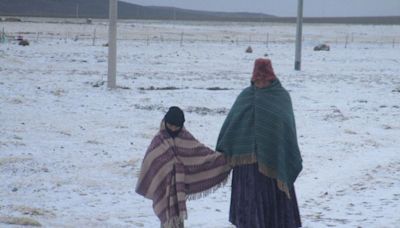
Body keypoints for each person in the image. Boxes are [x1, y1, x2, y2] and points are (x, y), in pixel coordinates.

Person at [216, 58, 303, 228]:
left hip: (274, 166)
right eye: (258, 79)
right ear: (253, 78)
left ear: (271, 77)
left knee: (272, 215)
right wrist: (225, 149)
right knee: (250, 212)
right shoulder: (245, 96)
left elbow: (286, 131)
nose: (261, 83)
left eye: (265, 79)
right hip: (247, 169)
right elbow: (231, 126)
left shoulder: (281, 97)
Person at [136, 106, 230, 228]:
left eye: (177, 126)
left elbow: (201, 153)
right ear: (166, 122)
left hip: (178, 190)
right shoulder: (158, 140)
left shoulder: (186, 137)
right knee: (167, 222)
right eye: (171, 125)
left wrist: (223, 160)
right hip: (164, 188)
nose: (173, 128)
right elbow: (150, 162)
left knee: (178, 222)